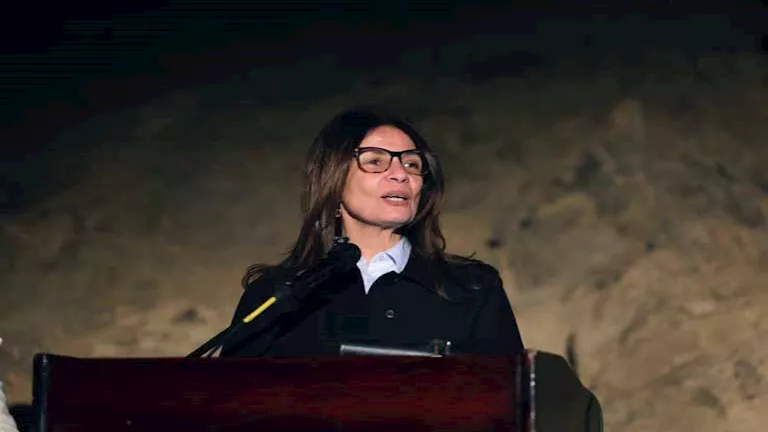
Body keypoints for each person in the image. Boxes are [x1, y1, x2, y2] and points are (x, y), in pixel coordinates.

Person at [220, 106, 524, 358]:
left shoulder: (472, 288)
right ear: (333, 181)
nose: (400, 174)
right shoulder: (276, 297)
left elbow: (512, 401)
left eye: (412, 164)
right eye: (375, 161)